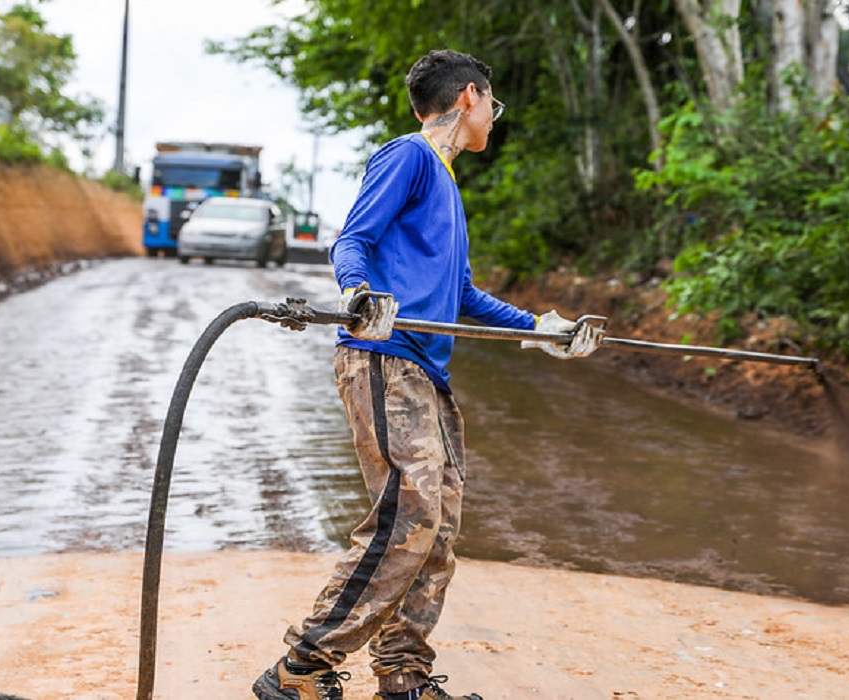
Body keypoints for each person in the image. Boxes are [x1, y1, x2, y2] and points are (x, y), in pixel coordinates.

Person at [253, 48, 599, 700]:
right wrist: (358, 293)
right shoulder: (408, 156)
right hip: (386, 359)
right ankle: (302, 667)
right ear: (469, 96)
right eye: (493, 103)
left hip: (427, 375)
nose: (494, 115)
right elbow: (351, 239)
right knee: (406, 514)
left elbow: (462, 295)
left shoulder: (446, 184)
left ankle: (403, 678)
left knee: (436, 530)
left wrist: (542, 329)